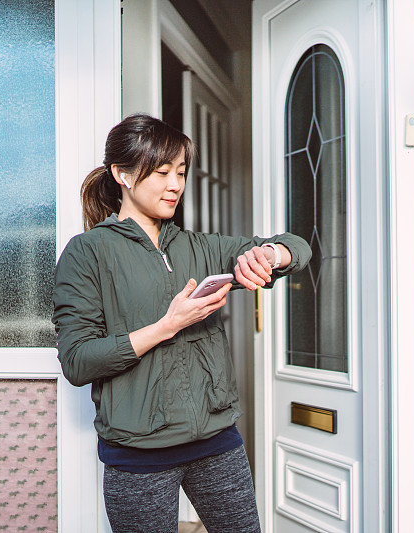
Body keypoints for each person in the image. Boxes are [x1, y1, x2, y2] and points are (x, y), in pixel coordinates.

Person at [52, 114, 311, 533]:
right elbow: (78, 362)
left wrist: (270, 256)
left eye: (181, 173)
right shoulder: (87, 254)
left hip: (216, 440)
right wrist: (166, 326)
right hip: (138, 456)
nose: (175, 184)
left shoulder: (198, 247)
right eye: (161, 172)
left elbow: (297, 247)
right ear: (122, 175)